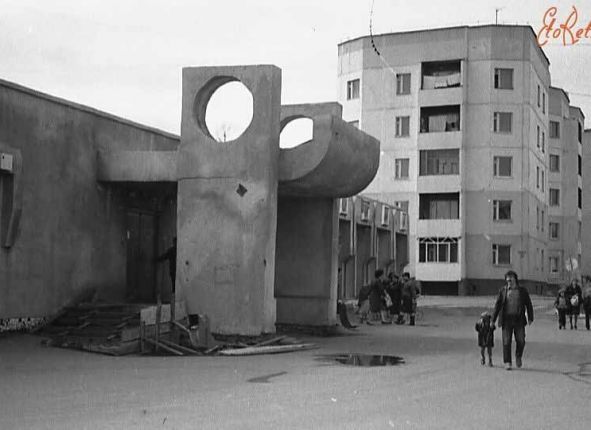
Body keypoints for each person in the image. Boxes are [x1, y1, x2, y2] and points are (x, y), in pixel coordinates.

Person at [492, 270, 534, 370]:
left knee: (521, 340)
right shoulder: (503, 291)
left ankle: (518, 356)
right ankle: (507, 362)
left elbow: (528, 304)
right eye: (507, 279)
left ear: (515, 279)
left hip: (519, 319)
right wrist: (493, 320)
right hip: (506, 319)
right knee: (506, 341)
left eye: (511, 279)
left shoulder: (522, 291)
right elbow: (497, 305)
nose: (509, 281)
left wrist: (530, 317)